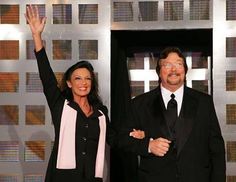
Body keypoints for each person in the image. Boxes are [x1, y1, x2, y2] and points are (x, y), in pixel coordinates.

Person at [24, 5, 144, 182]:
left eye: (87, 79)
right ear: (69, 83)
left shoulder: (101, 112)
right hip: (62, 178)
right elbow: (47, 76)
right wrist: (36, 36)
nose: (83, 83)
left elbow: (113, 138)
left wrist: (132, 136)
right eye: (78, 79)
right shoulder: (61, 105)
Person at [118, 47, 226, 182]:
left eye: (179, 64)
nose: (173, 69)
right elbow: (121, 139)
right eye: (167, 65)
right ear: (158, 72)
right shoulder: (140, 104)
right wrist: (148, 146)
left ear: (185, 71)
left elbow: (217, 149)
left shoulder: (204, 102)